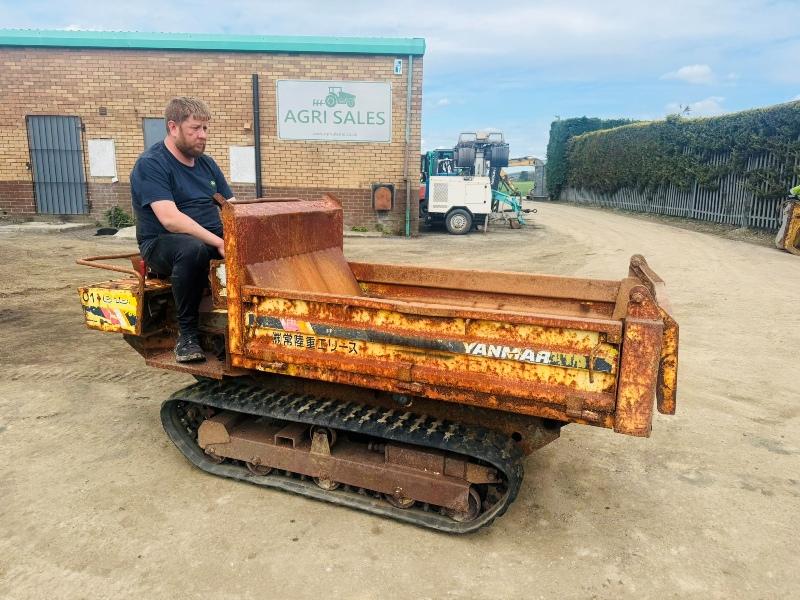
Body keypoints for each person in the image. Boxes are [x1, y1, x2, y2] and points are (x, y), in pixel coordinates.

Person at [130, 97, 234, 362]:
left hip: (207, 237)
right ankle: (187, 336)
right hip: (163, 244)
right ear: (173, 127)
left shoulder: (207, 164)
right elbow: (170, 219)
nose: (203, 136)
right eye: (195, 129)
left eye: (205, 129)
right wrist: (220, 242)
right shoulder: (152, 164)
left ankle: (240, 325)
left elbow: (232, 207)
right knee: (192, 249)